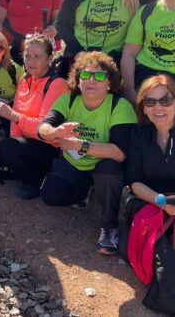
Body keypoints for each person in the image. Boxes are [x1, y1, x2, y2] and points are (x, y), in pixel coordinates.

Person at [37, 51, 137, 256]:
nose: (91, 81)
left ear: (109, 83)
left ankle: (109, 227)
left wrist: (80, 145)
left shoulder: (120, 106)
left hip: (104, 165)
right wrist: (54, 132)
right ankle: (83, 193)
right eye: (85, 75)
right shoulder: (69, 100)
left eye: (99, 76)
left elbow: (119, 153)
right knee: (50, 195)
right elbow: (43, 128)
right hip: (75, 165)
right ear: (77, 79)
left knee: (109, 169)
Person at [127, 75, 175, 274]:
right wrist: (161, 200)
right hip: (156, 201)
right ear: (143, 108)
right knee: (124, 247)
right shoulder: (139, 135)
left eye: (165, 100)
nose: (158, 107)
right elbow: (134, 181)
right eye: (150, 102)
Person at [0, 35, 69, 198]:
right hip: (28, 139)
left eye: (37, 57)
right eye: (27, 56)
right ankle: (27, 169)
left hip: (49, 145)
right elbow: (18, 110)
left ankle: (35, 181)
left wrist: (14, 118)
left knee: (7, 147)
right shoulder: (25, 78)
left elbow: (44, 129)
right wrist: (14, 142)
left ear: (49, 58)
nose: (30, 61)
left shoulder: (57, 84)